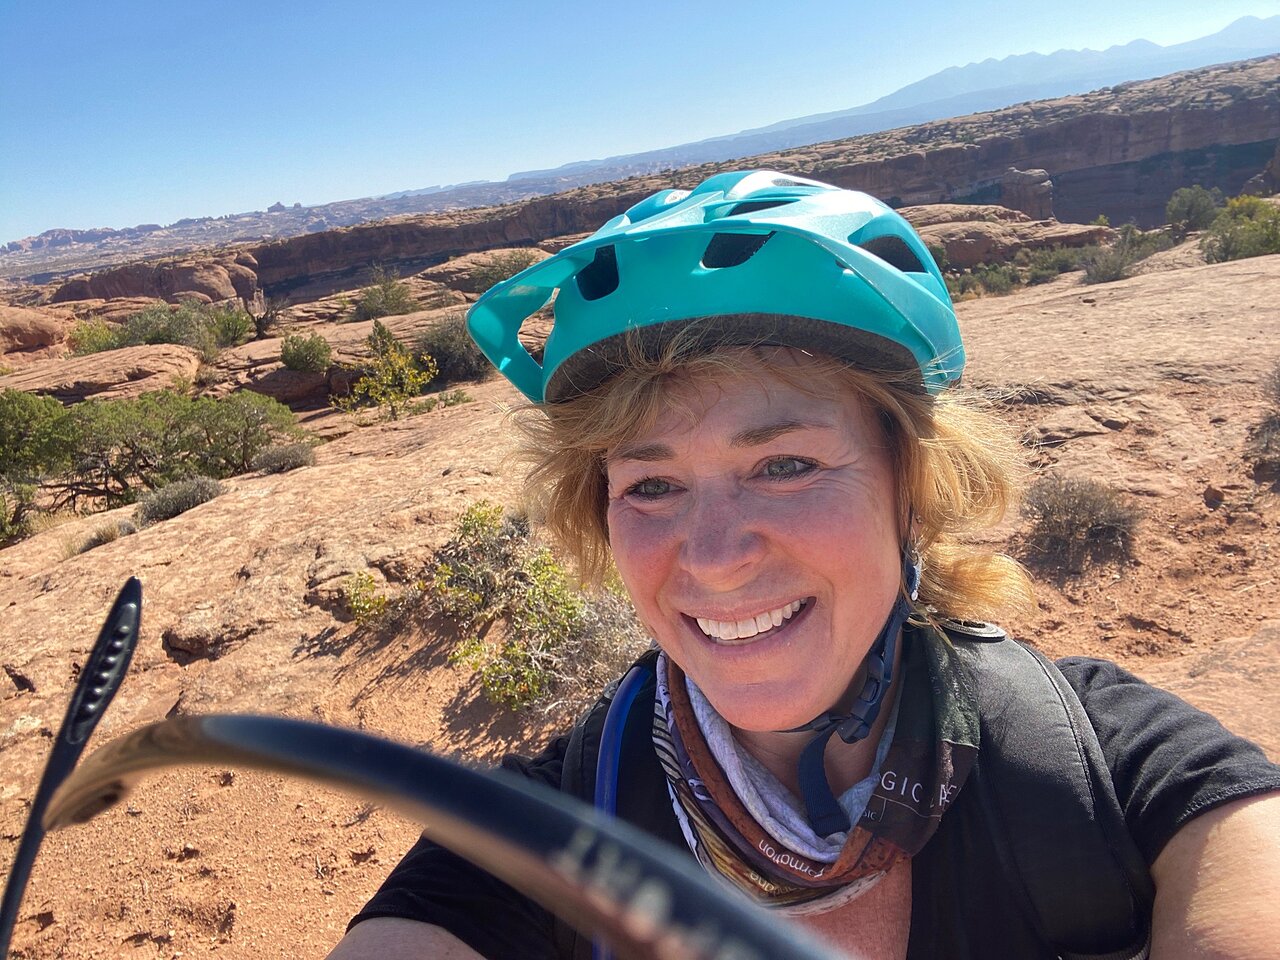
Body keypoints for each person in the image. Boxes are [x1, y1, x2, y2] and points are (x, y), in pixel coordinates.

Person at [327, 170, 1280, 960]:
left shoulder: (1108, 771)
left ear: (913, 485)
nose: (715, 558)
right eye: (650, 486)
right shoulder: (552, 822)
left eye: (785, 466)